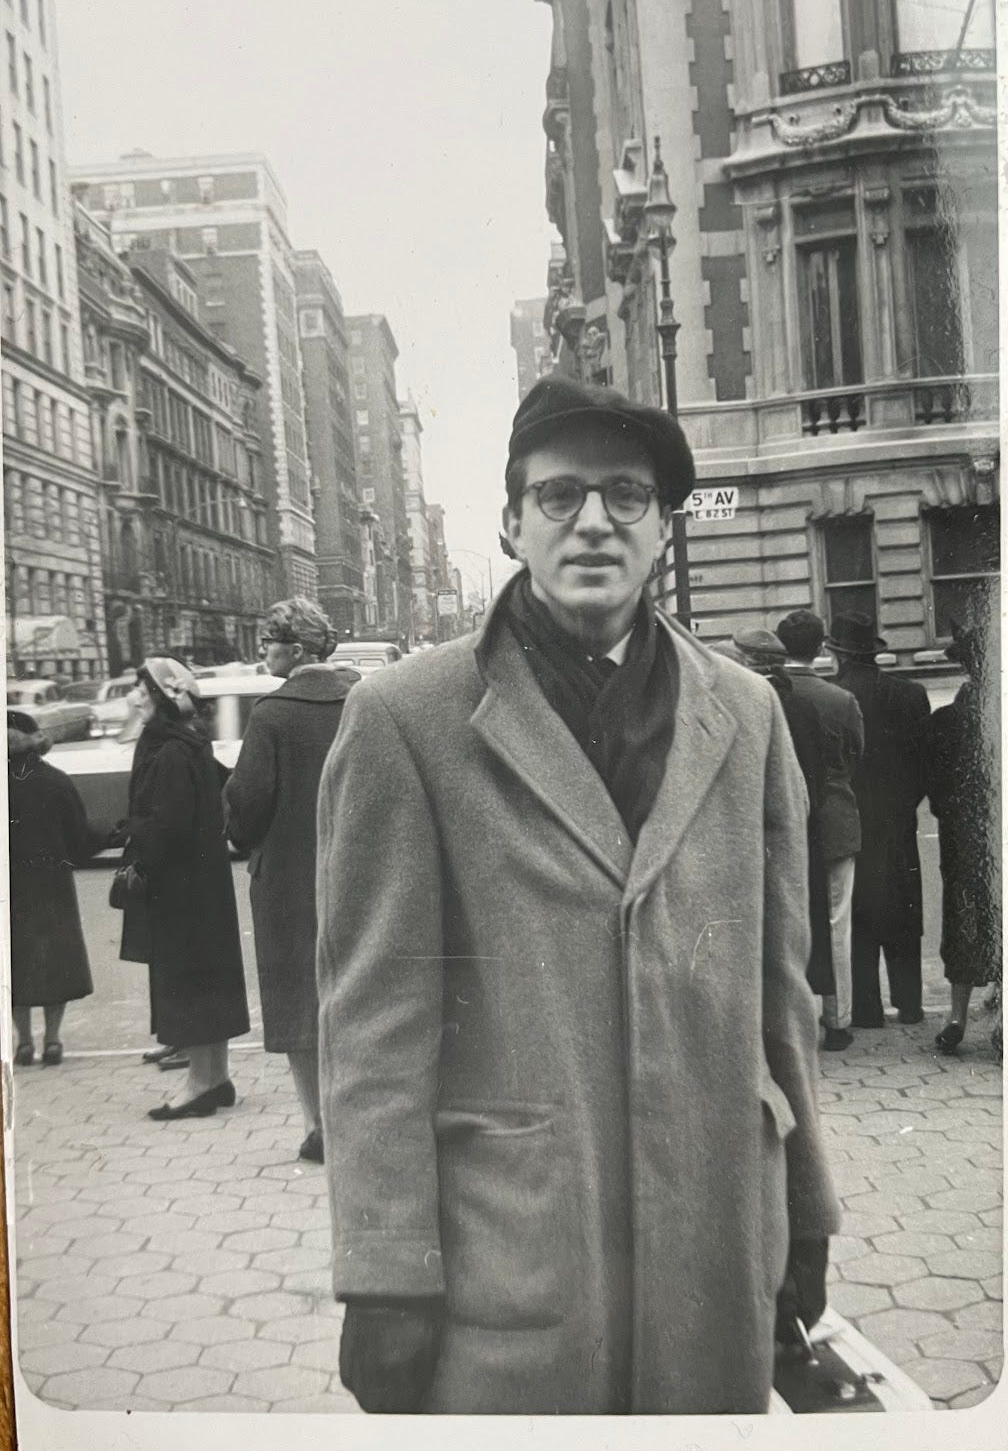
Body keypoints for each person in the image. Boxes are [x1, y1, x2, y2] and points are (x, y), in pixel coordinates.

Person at [316, 376, 840, 1415]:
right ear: (512, 524)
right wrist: (384, 1270)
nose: (593, 520)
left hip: (718, 1237)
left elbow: (784, 989)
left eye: (626, 496)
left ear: (664, 530)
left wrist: (808, 1208)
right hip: (521, 1258)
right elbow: (373, 1024)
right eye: (559, 496)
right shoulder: (406, 719)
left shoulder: (747, 713)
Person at [224, 597, 360, 1163]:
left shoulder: (271, 714)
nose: (263, 652)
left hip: (287, 880)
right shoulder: (363, 699)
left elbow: (247, 805)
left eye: (268, 642)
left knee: (299, 1001)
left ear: (296, 650)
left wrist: (239, 828)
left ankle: (321, 1127)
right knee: (357, 993)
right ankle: (364, 1118)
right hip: (360, 869)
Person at [120, 656, 250, 1119]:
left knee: (188, 982)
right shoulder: (189, 744)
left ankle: (198, 1086)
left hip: (180, 891)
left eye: (141, 689)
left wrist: (131, 833)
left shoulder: (168, 751)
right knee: (209, 980)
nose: (134, 697)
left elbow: (169, 827)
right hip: (203, 885)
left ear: (160, 697)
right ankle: (216, 1076)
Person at [730, 628, 836, 1045]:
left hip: (750, 835)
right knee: (803, 922)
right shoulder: (804, 707)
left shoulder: (742, 704)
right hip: (800, 831)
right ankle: (813, 1023)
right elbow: (820, 775)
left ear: (752, 662)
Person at [826, 613, 929, 1029]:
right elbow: (924, 763)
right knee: (904, 910)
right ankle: (910, 1004)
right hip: (898, 818)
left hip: (854, 819)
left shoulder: (837, 696)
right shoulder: (911, 694)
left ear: (839, 655)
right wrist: (906, 803)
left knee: (861, 913)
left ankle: (867, 1009)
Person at [776, 610, 864, 1052]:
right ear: (820, 648)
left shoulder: (768, 695)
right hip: (833, 815)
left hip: (786, 822)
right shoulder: (839, 698)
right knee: (836, 921)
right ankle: (837, 1020)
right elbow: (855, 755)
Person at [8, 709, 106, 1066]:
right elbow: (79, 837)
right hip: (51, 885)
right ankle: (52, 1040)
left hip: (8, 888)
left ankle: (22, 1042)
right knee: (55, 961)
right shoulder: (56, 780)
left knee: (13, 963)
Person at [927, 622, 1002, 1057]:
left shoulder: (947, 720)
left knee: (963, 919)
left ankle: (957, 1016)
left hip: (964, 840)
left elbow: (935, 790)